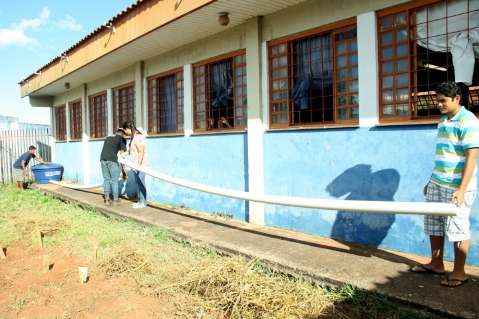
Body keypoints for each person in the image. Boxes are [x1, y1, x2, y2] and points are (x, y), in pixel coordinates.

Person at [410, 82, 479, 288]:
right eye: (437, 100)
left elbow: (472, 157)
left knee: (458, 226)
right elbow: (443, 155)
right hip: (437, 183)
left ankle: (459, 271)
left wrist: (462, 188)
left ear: (457, 98)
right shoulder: (443, 120)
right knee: (434, 224)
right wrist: (431, 181)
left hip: (457, 187)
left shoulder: (468, 121)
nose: (439, 104)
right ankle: (436, 263)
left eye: (443, 101)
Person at [100, 127, 131, 205]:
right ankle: (115, 200)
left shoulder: (108, 138)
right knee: (114, 180)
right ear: (123, 134)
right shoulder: (121, 139)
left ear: (116, 132)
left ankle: (107, 200)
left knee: (106, 179)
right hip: (112, 160)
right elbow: (121, 155)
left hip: (102, 159)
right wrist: (124, 169)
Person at [130, 126, 147, 209]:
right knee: (139, 183)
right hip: (139, 165)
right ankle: (140, 201)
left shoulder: (136, 138)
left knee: (140, 183)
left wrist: (138, 165)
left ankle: (142, 202)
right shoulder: (142, 138)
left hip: (139, 165)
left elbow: (141, 151)